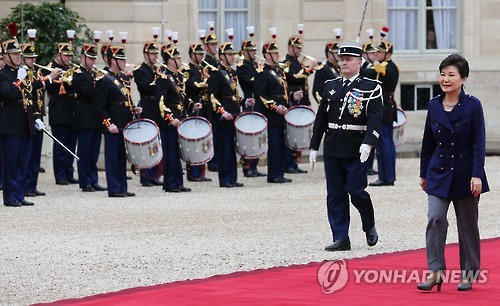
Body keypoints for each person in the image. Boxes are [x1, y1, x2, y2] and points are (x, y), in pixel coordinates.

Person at [417, 54, 489, 292]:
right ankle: (435, 271)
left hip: (466, 175)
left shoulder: (472, 106)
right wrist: (423, 173)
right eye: (443, 74)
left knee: (467, 226)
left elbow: (479, 144)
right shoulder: (434, 105)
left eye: (451, 75)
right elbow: (428, 143)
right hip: (437, 173)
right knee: (435, 218)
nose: (446, 79)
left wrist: (477, 174)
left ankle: (468, 273)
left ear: (463, 78)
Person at [309, 41, 383, 251]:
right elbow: (321, 118)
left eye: (349, 59)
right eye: (341, 59)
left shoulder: (371, 87)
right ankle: (341, 237)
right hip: (333, 146)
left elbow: (375, 119)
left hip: (356, 147)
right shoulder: (331, 86)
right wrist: (314, 146)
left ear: (360, 62)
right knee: (335, 193)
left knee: (356, 191)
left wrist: (369, 143)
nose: (344, 63)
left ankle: (368, 224)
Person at [0, 26, 60, 207]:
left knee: (22, 160)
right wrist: (19, 80)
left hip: (25, 121)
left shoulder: (21, 73)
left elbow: (30, 93)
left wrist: (36, 116)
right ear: (5, 57)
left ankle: (19, 194)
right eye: (15, 54)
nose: (19, 56)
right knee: (11, 161)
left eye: (19, 53)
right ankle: (10, 196)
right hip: (10, 122)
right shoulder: (2, 75)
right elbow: (9, 94)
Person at [94, 44, 141, 197]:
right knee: (112, 158)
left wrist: (134, 108)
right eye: (121, 60)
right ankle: (114, 188)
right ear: (113, 61)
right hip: (113, 125)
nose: (125, 62)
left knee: (122, 158)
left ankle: (122, 186)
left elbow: (125, 98)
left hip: (125, 123)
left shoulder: (122, 78)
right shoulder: (104, 79)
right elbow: (99, 107)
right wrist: (108, 124)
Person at [208, 39, 249, 188]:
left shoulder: (232, 72)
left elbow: (235, 95)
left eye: (233, 54)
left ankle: (232, 177)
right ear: (222, 56)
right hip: (223, 116)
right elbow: (212, 97)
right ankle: (224, 178)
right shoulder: (217, 73)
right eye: (229, 54)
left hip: (234, 114)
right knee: (224, 149)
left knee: (232, 149)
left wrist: (245, 102)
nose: (233, 57)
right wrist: (222, 111)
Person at [254, 37, 295, 184]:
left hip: (282, 112)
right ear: (267, 55)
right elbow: (260, 94)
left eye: (277, 53)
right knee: (275, 145)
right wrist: (275, 107)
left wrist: (291, 96)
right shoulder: (262, 73)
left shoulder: (278, 71)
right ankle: (274, 174)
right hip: (271, 114)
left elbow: (282, 91)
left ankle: (279, 172)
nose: (277, 55)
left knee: (281, 144)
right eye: (274, 53)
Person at [155, 43, 194, 193]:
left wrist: (191, 105)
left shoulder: (176, 77)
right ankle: (170, 183)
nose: (180, 60)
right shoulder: (164, 77)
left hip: (179, 118)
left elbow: (181, 97)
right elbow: (160, 101)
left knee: (177, 152)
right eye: (178, 58)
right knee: (170, 152)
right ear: (170, 60)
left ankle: (178, 181)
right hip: (169, 121)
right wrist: (170, 118)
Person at [73, 43, 107, 192]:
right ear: (82, 57)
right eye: (90, 58)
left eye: (94, 59)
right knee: (84, 151)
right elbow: (89, 92)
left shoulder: (94, 74)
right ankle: (85, 181)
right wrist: (101, 84)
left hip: (95, 115)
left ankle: (93, 179)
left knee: (94, 151)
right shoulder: (78, 74)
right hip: (84, 115)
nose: (93, 62)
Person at [45, 39, 79, 185]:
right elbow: (49, 87)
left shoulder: (72, 68)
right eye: (66, 56)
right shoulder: (50, 68)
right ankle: (60, 175)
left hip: (72, 108)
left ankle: (69, 172)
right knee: (61, 144)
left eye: (70, 56)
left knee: (71, 143)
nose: (69, 59)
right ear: (59, 55)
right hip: (58, 109)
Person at [368, 28, 399, 187]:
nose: (375, 54)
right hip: (386, 106)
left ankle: (386, 177)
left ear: (387, 53)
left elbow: (371, 72)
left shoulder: (386, 67)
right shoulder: (388, 65)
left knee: (383, 143)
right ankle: (388, 176)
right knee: (386, 143)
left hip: (383, 107)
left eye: (379, 52)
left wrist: (372, 62)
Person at [282, 31, 314, 174]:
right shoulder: (287, 63)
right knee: (291, 133)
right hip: (291, 101)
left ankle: (294, 162)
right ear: (290, 48)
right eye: (297, 47)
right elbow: (294, 77)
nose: (300, 50)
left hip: (301, 101)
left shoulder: (297, 62)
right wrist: (310, 68)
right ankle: (288, 162)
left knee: (298, 134)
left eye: (300, 47)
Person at [133, 38, 163, 187]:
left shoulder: (156, 70)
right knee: (146, 143)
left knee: (157, 142)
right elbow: (146, 88)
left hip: (158, 106)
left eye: (156, 53)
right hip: (147, 105)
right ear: (145, 55)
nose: (155, 57)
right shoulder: (139, 71)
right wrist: (158, 78)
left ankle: (155, 174)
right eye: (152, 54)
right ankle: (145, 176)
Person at [236, 27, 266, 178]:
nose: (255, 53)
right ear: (245, 52)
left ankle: (254, 164)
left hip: (258, 102)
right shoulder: (242, 67)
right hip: (249, 101)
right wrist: (261, 72)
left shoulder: (254, 66)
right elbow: (253, 82)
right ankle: (246, 166)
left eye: (255, 50)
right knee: (248, 136)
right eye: (252, 51)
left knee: (258, 135)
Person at [21, 39, 48, 197]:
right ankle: (25, 185)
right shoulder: (23, 75)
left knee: (36, 153)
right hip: (29, 118)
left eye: (34, 57)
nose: (33, 60)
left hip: (38, 117)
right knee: (28, 154)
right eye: (30, 58)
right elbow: (30, 91)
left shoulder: (36, 73)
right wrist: (48, 78)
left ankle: (33, 184)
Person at [183, 42, 212, 182]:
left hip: (204, 106)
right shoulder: (188, 70)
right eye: (199, 54)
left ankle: (201, 170)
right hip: (194, 106)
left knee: (203, 138)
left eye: (202, 54)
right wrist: (210, 80)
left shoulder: (203, 69)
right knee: (193, 139)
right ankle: (193, 172)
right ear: (192, 55)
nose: (202, 56)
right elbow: (193, 86)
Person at [202, 24, 220, 172]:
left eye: (216, 44)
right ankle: (213, 162)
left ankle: (217, 159)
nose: (215, 47)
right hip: (210, 100)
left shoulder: (217, 61)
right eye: (212, 45)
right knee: (213, 131)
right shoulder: (205, 63)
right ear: (206, 47)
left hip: (219, 99)